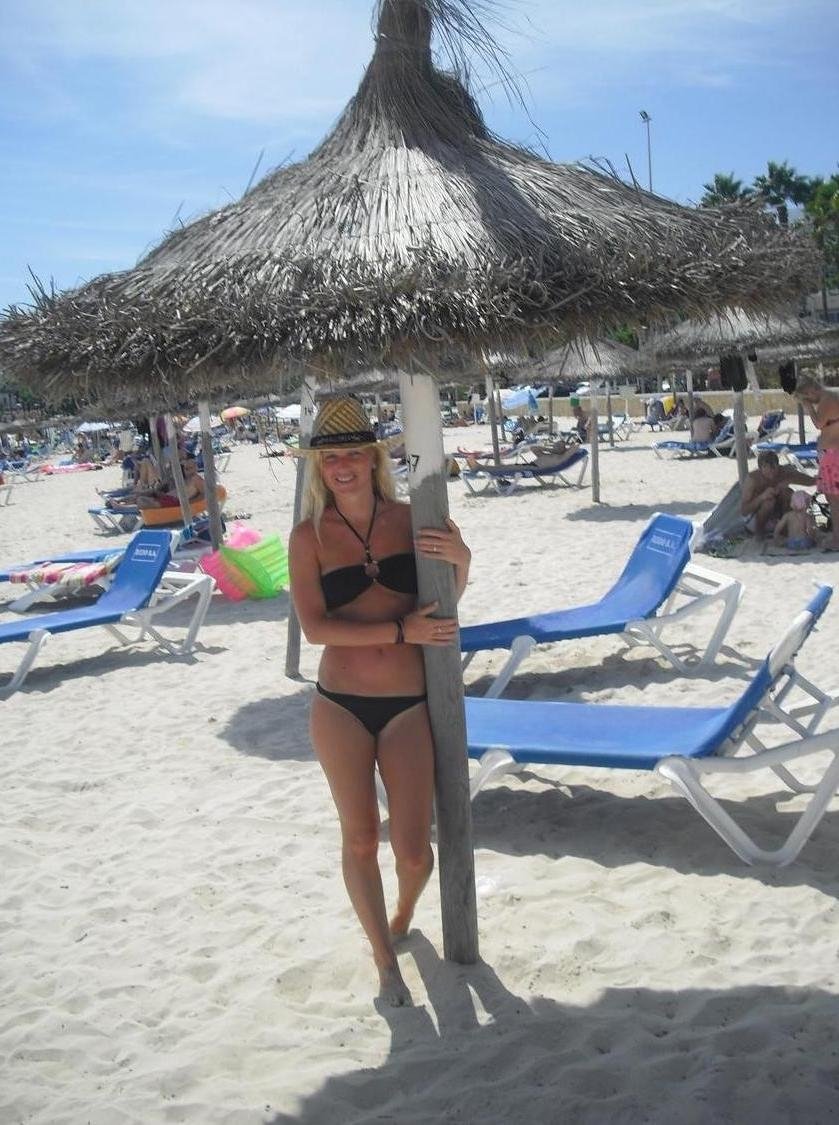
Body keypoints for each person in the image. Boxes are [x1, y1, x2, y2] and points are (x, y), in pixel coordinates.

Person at [288, 394, 471, 1007]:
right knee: (361, 837)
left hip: (407, 705)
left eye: (351, 454)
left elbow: (443, 604)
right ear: (320, 469)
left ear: (372, 459)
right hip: (340, 705)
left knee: (415, 853)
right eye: (329, 458)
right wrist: (400, 631)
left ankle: (403, 913)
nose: (341, 466)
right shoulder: (308, 537)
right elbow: (316, 629)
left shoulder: (410, 519)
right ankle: (384, 958)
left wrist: (463, 561)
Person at [793, 374, 839, 551]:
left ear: (811, 390)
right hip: (832, 452)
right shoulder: (832, 397)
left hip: (833, 454)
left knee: (834, 499)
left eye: (807, 397)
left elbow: (819, 424)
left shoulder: (827, 399)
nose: (809, 400)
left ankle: (837, 540)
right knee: (832, 498)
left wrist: (808, 408)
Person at [740, 450, 815, 538]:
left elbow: (809, 481)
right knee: (769, 502)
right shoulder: (752, 479)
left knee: (787, 492)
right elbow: (744, 511)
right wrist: (762, 497)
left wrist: (788, 481)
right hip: (754, 521)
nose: (771, 472)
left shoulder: (783, 472)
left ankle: (786, 531)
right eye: (766, 468)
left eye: (774, 468)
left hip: (776, 520)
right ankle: (759, 536)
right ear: (760, 468)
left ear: (778, 466)